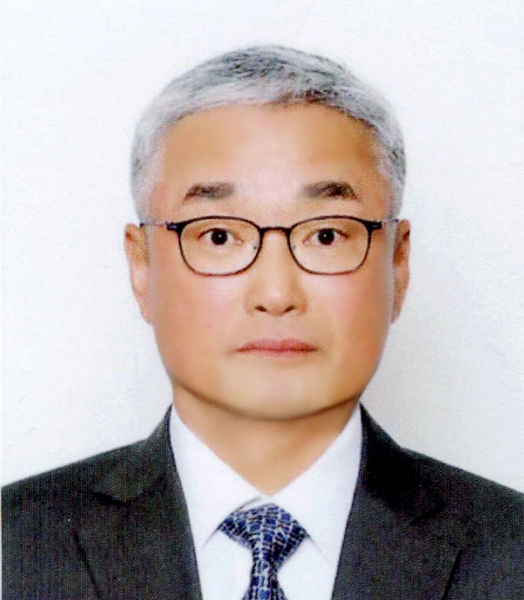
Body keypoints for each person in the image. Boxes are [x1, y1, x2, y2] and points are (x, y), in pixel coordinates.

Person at [2, 45, 523, 600]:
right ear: (142, 267)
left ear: (398, 263)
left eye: (326, 235)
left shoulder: (510, 553)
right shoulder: (16, 547)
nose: (276, 295)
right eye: (218, 235)